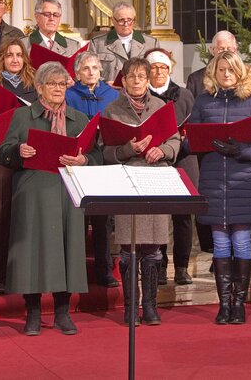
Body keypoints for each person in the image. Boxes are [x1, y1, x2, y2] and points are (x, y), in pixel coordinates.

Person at [0, 62, 100, 336]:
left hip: (68, 192)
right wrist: (19, 151)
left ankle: (63, 313)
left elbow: (97, 155)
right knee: (33, 252)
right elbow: (1, 151)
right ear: (39, 88)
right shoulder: (22, 116)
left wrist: (84, 160)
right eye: (51, 84)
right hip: (33, 192)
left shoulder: (79, 119)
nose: (57, 89)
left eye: (62, 84)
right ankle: (33, 314)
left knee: (67, 250)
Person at [189, 50, 251, 325]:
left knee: (241, 241)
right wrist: (205, 141)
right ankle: (224, 304)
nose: (226, 74)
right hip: (213, 180)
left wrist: (242, 150)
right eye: (221, 69)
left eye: (231, 70)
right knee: (220, 243)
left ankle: (239, 304)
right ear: (213, 72)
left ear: (240, 72)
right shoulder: (203, 101)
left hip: (244, 180)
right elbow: (189, 140)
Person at [102, 58, 181, 326]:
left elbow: (175, 140)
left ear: (148, 80)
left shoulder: (161, 107)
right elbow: (104, 151)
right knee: (129, 248)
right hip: (127, 180)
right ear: (123, 80)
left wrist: (163, 150)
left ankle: (150, 306)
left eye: (141, 76)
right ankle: (130, 308)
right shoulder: (112, 110)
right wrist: (128, 149)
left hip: (155, 179)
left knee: (153, 249)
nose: (136, 81)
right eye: (131, 76)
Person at [0, 38, 37, 294]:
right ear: (0, 59)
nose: (14, 59)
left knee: (27, 216)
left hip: (28, 156)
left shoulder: (34, 86)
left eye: (18, 55)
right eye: (9, 55)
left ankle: (23, 274)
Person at [64, 51, 120, 288]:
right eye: (85, 68)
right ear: (77, 73)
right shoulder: (68, 94)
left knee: (102, 221)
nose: (90, 72)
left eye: (95, 68)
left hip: (102, 162)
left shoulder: (113, 95)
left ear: (101, 71)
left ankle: (104, 270)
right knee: (77, 219)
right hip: (76, 162)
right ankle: (75, 272)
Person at [146, 47, 199, 284]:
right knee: (157, 214)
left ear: (169, 70)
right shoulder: (143, 95)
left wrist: (184, 139)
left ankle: (181, 266)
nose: (159, 72)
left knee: (183, 215)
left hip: (183, 159)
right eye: (154, 68)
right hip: (155, 158)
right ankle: (159, 265)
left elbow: (194, 125)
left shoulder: (184, 95)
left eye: (163, 67)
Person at [88, 2, 160, 84]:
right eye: (121, 20)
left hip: (140, 89)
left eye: (129, 20)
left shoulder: (151, 43)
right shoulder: (97, 43)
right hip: (111, 90)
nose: (126, 24)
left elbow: (157, 71)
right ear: (113, 20)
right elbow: (90, 71)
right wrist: (104, 83)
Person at [186, 30, 237, 99]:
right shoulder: (196, 79)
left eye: (229, 49)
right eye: (221, 49)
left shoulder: (244, 77)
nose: (225, 52)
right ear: (212, 50)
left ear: (235, 50)